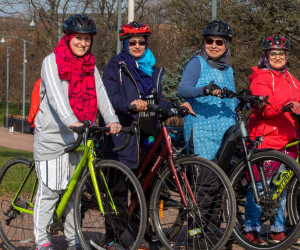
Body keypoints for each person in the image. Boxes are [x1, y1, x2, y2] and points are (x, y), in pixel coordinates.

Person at [100, 21, 193, 250]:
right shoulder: (116, 66)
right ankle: (113, 236)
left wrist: (176, 105)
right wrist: (128, 105)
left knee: (146, 188)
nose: (138, 45)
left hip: (147, 135)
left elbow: (157, 101)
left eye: (142, 42)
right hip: (122, 134)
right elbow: (109, 96)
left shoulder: (152, 69)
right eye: (132, 42)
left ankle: (141, 232)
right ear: (125, 43)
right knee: (118, 190)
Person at [33, 14, 121, 250]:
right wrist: (72, 121)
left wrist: (111, 119)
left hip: (80, 135)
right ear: (68, 37)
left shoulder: (89, 64)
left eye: (87, 39)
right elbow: (55, 97)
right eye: (78, 38)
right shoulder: (51, 61)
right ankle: (41, 240)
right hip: (53, 136)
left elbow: (101, 93)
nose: (83, 43)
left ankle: (73, 240)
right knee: (51, 190)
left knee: (74, 194)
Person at [244, 35, 300, 245]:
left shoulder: (292, 79)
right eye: (273, 53)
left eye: (281, 53)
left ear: (287, 56)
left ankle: (277, 231)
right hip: (266, 140)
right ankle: (251, 230)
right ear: (266, 55)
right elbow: (263, 106)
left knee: (281, 188)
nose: (278, 57)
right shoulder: (261, 77)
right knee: (261, 187)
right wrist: (285, 105)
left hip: (288, 142)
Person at [177, 20, 236, 249]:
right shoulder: (197, 62)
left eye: (218, 42)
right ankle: (195, 237)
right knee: (204, 188)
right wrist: (204, 90)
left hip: (223, 135)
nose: (213, 45)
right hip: (201, 132)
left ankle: (211, 234)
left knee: (219, 187)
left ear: (226, 45)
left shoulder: (228, 69)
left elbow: (229, 97)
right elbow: (183, 89)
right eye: (209, 41)